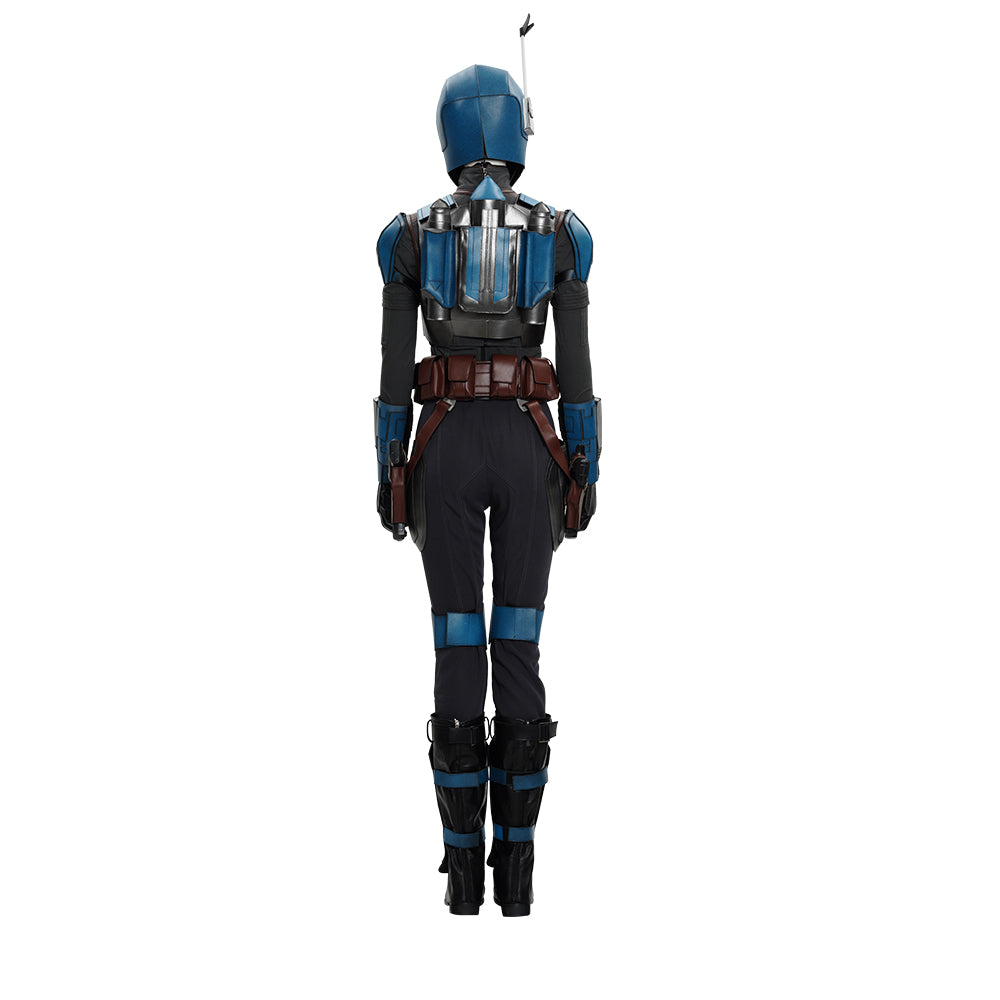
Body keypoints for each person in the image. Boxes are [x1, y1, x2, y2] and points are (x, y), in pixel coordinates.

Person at [373, 64, 601, 916]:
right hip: (528, 442)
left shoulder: (408, 236)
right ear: (513, 128)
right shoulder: (562, 234)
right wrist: (586, 460)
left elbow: (393, 372)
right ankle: (519, 875)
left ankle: (463, 875)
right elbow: (576, 366)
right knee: (519, 644)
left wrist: (390, 464)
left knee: (458, 644)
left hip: (444, 446)